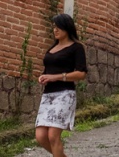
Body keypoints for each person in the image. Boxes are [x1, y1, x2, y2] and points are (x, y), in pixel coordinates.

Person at [36, 13, 87, 157]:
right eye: (54, 27)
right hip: (48, 96)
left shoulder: (76, 48)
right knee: (40, 136)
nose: (55, 30)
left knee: (53, 136)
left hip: (65, 94)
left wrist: (55, 77)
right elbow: (49, 70)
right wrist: (44, 77)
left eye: (59, 27)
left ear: (67, 28)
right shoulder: (52, 48)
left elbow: (81, 74)